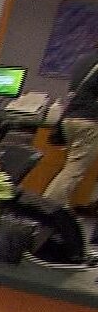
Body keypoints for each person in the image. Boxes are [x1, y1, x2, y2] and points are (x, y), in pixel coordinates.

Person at [43, 48, 98, 207]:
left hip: (70, 119)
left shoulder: (85, 59)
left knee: (70, 167)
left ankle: (61, 208)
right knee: (74, 171)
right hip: (89, 123)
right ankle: (49, 208)